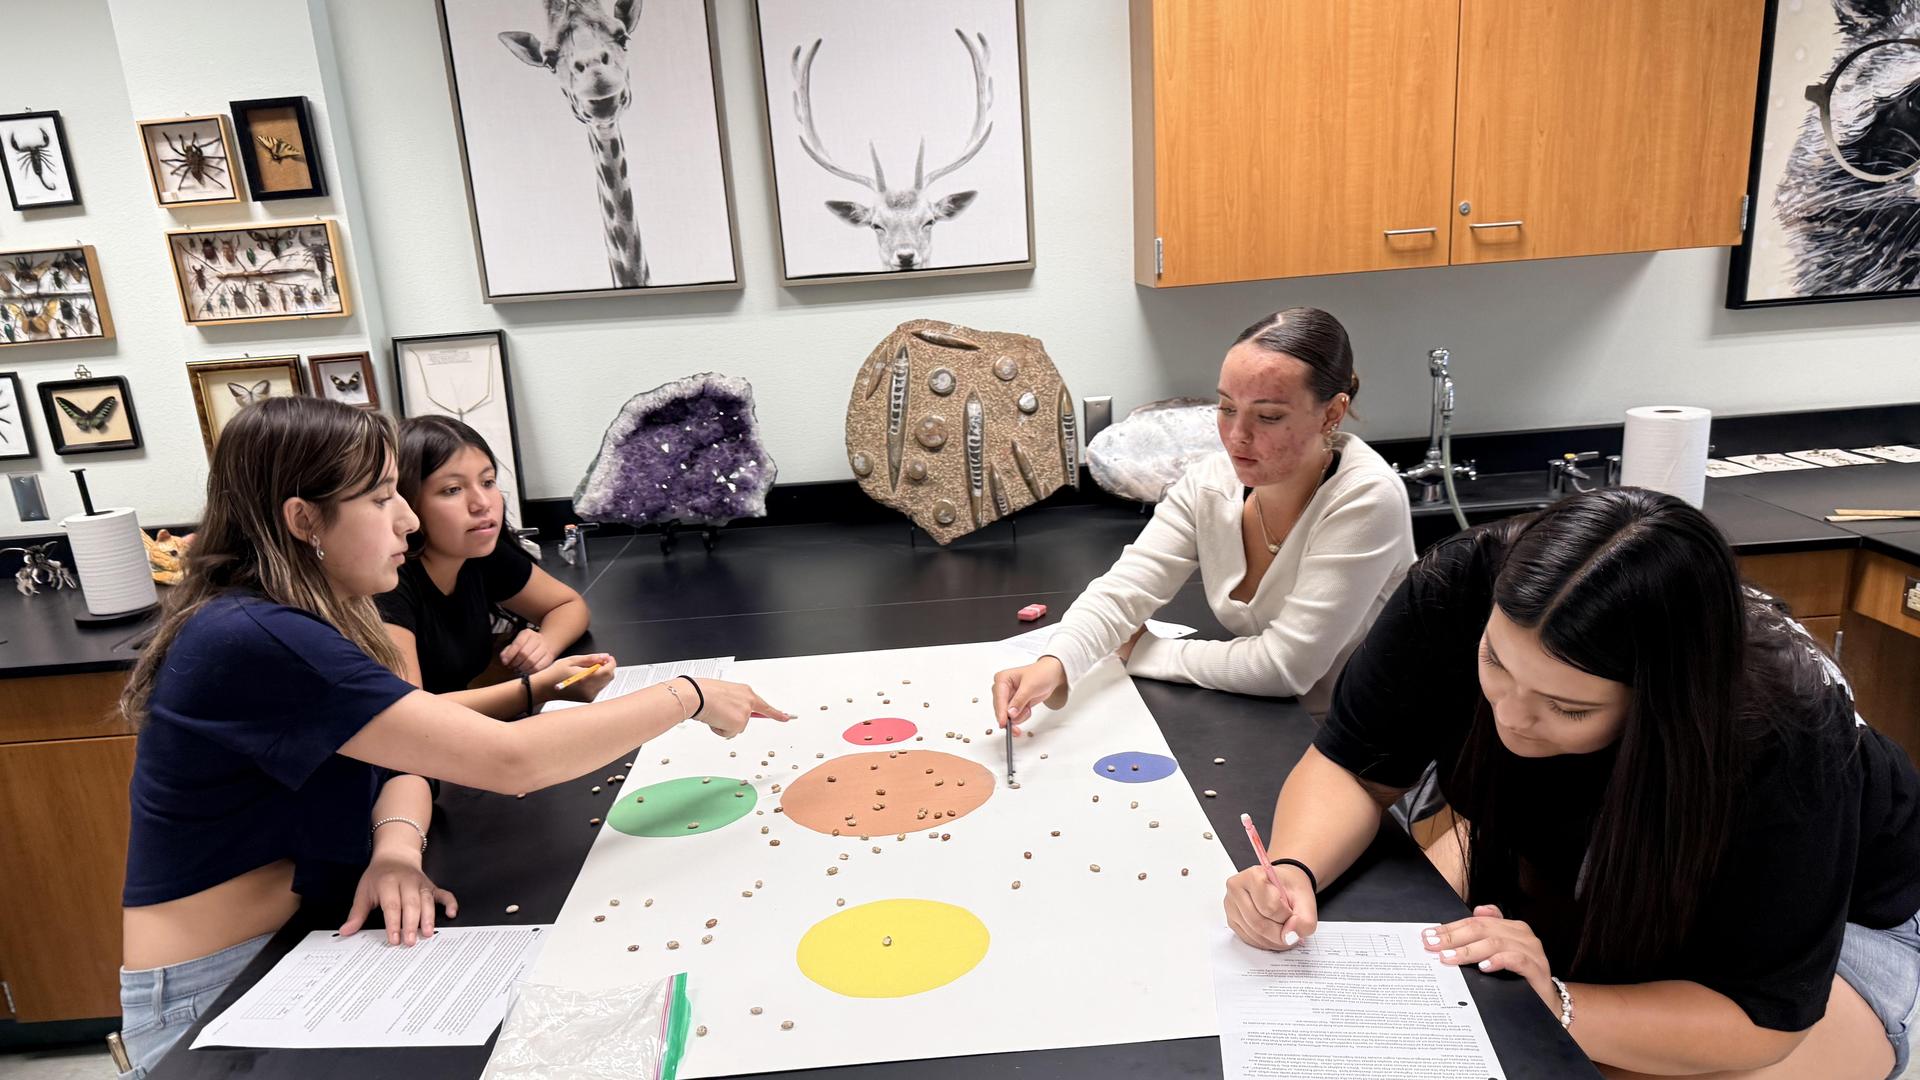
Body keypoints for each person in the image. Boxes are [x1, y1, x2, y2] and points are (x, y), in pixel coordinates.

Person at [118, 398, 787, 1077]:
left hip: (305, 944)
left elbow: (402, 756)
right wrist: (688, 695)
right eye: (382, 499)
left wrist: (396, 848)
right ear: (303, 520)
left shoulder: (303, 616)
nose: (406, 518)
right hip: (217, 989)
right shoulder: (257, 638)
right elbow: (511, 760)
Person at [1222, 488, 1920, 1079]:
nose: (1513, 722)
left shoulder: (1784, 727)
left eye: (1569, 707)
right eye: (1495, 664)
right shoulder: (1462, 586)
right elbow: (1354, 765)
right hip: (1583, 870)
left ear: (1662, 705)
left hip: (1836, 936)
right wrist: (1293, 869)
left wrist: (1557, 1001)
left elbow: (1764, 1015)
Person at [992, 307, 1414, 725]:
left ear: (1332, 413)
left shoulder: (1366, 499)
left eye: (1268, 416)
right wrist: (1056, 661)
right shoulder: (1211, 483)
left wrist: (1142, 651)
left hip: (1365, 737)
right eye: (1227, 408)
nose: (1237, 435)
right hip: (1271, 718)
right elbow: (1124, 591)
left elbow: (1284, 668)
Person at [378, 416, 589, 718]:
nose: (482, 503)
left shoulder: (478, 551)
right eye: (452, 489)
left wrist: (545, 643)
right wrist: (538, 687)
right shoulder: (388, 583)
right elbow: (410, 713)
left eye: (488, 482)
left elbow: (569, 604)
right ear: (407, 501)